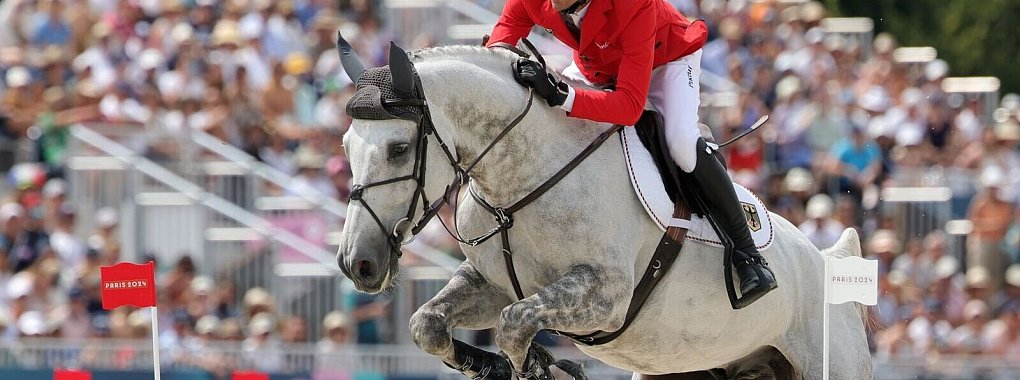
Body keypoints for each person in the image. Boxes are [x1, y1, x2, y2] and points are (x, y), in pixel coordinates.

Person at [485, 0, 776, 304]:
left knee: (681, 143)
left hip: (666, 59)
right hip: (597, 65)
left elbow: (629, 107)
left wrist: (561, 95)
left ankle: (748, 256)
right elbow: (496, 50)